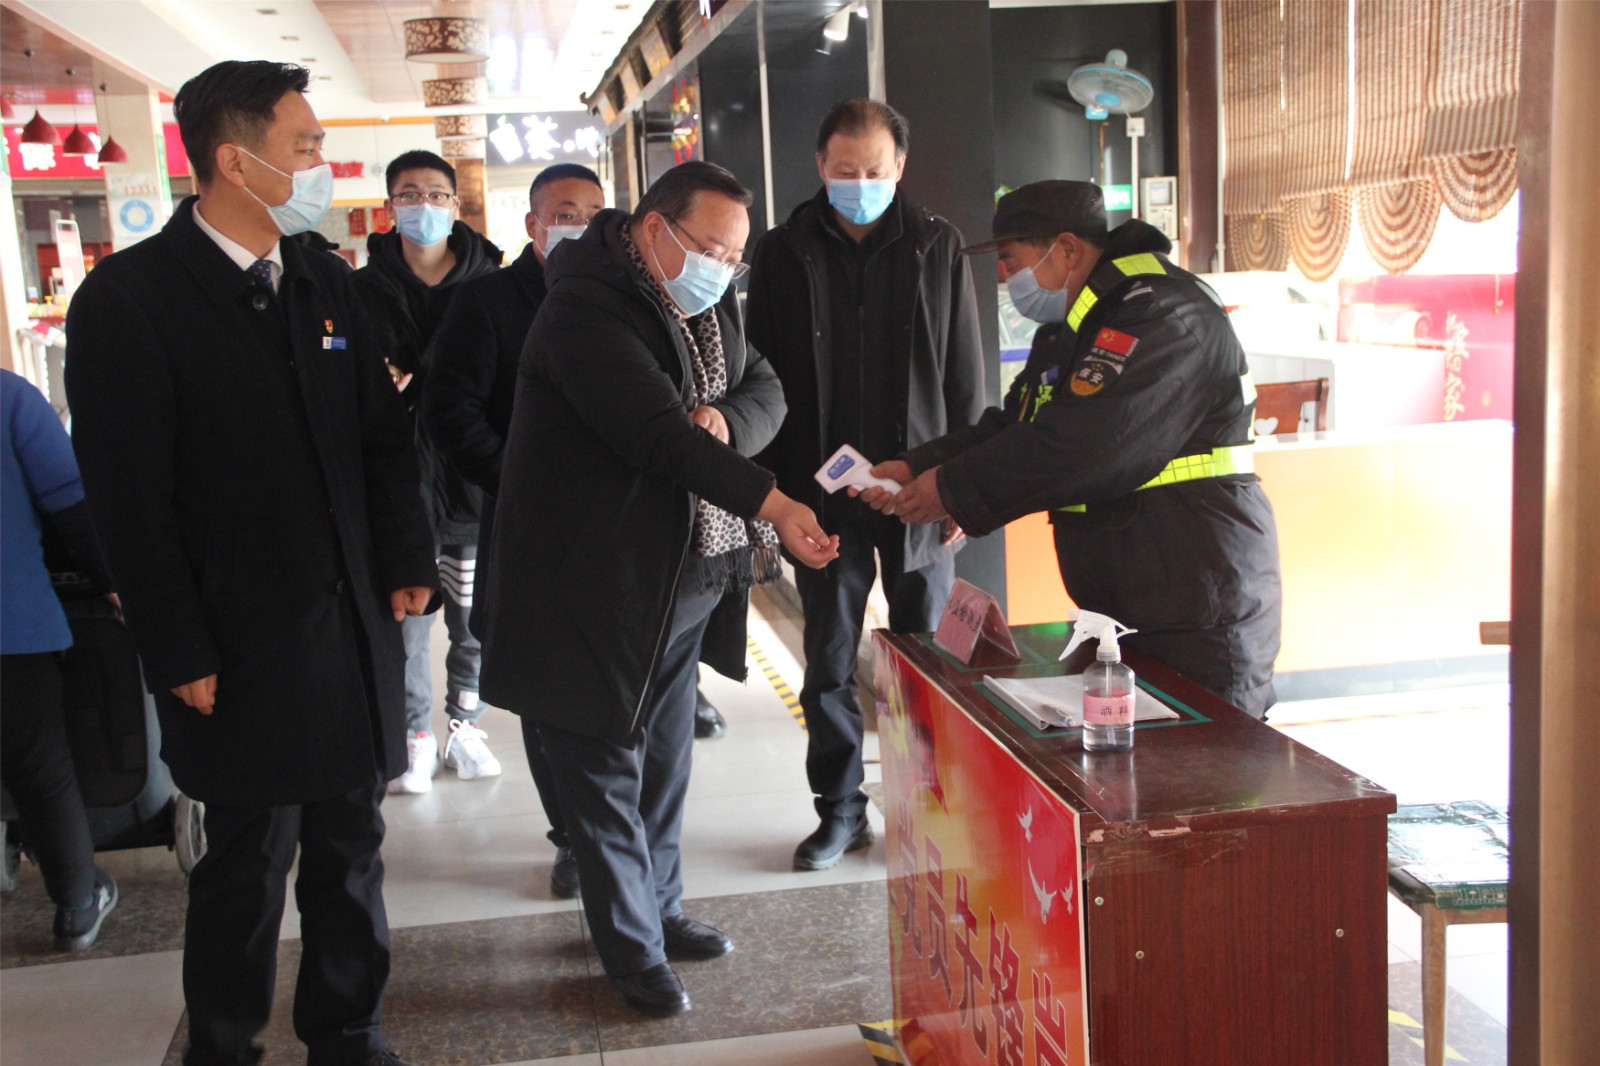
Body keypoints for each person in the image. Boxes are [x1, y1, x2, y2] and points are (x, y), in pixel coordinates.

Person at [64, 60, 436, 1066]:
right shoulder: (131, 300)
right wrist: (175, 645)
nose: (322, 165)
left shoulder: (322, 280)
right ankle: (224, 1045)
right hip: (235, 642)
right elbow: (127, 503)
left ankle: (348, 1032)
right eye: (305, 147)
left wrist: (406, 557)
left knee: (351, 850)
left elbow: (381, 438)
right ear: (235, 161)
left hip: (348, 628)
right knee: (246, 863)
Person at [478, 160, 839, 1017]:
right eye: (710, 248)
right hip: (589, 583)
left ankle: (662, 909)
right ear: (652, 228)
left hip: (681, 577)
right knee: (602, 766)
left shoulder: (702, 303)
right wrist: (777, 503)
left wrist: (724, 420)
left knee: (664, 764)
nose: (722, 268)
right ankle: (632, 950)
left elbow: (767, 390)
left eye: (733, 257)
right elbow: (655, 437)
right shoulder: (585, 307)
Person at [858, 180, 1282, 718]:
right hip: (1134, 604)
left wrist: (950, 488)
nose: (1004, 276)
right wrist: (920, 464)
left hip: (1198, 606)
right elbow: (1017, 425)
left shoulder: (1162, 315)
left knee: (1204, 760)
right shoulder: (1077, 330)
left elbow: (1087, 446)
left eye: (1012, 260)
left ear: (1066, 249)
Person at [745, 99, 985, 871]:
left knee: (927, 665)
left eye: (874, 171)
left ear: (899, 167)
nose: (859, 183)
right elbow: (762, 375)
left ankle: (926, 812)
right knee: (827, 661)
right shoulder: (783, 252)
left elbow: (965, 372)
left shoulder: (936, 244)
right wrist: (774, 497)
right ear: (821, 165)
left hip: (920, 490)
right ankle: (840, 811)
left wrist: (962, 485)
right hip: (822, 494)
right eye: (844, 170)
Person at [422, 161, 606, 898]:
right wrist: (517, 479)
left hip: (616, 530)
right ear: (532, 224)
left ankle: (620, 833)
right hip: (526, 526)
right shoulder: (487, 302)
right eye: (565, 213)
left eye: (593, 214)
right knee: (545, 687)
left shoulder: (626, 296)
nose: (579, 227)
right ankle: (571, 836)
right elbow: (450, 410)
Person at [354, 150, 503, 795]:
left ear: (456, 204)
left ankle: (465, 726)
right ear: (391, 206)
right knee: (406, 625)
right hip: (398, 486)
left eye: (436, 194)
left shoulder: (492, 283)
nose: (424, 206)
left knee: (473, 621)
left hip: (471, 479)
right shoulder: (360, 290)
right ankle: (413, 733)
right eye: (409, 194)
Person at [0, 369, 119, 953]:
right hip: (11, 625)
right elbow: (71, 503)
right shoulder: (10, 399)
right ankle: (76, 903)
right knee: (40, 767)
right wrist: (115, 585)